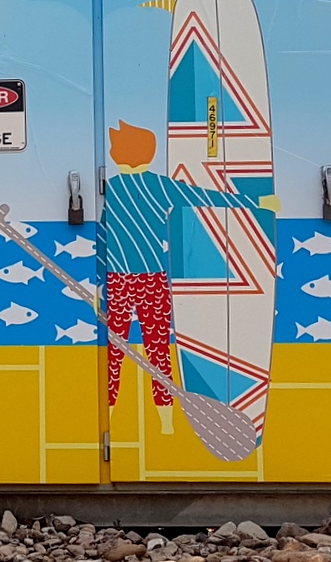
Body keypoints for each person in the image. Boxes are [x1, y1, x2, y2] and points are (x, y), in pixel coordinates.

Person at [101, 120, 279, 433]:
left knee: (113, 354)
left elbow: (102, 235)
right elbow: (204, 196)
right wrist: (257, 204)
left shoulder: (112, 189)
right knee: (159, 351)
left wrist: (98, 284)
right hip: (151, 280)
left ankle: (108, 421)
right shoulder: (158, 185)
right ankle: (166, 424)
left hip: (119, 281)